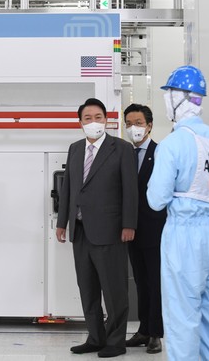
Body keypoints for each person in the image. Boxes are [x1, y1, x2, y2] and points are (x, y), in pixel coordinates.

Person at [147, 65, 209, 361]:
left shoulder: (173, 144)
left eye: (169, 94)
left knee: (182, 314)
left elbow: (156, 200)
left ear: (179, 97)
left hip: (183, 235)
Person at [56, 98, 138, 358]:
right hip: (80, 230)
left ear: (106, 119)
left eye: (98, 117)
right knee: (87, 288)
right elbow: (68, 187)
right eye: (88, 118)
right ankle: (95, 337)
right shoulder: (75, 148)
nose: (93, 122)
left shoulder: (122, 148)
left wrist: (128, 224)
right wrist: (62, 222)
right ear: (80, 122)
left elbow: (130, 191)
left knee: (114, 291)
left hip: (111, 230)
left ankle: (115, 342)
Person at [123, 104, 167, 354]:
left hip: (156, 229)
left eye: (138, 122)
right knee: (140, 281)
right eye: (128, 123)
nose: (133, 128)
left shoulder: (161, 153)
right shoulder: (124, 154)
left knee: (155, 282)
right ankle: (143, 329)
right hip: (132, 230)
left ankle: (156, 334)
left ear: (149, 125)